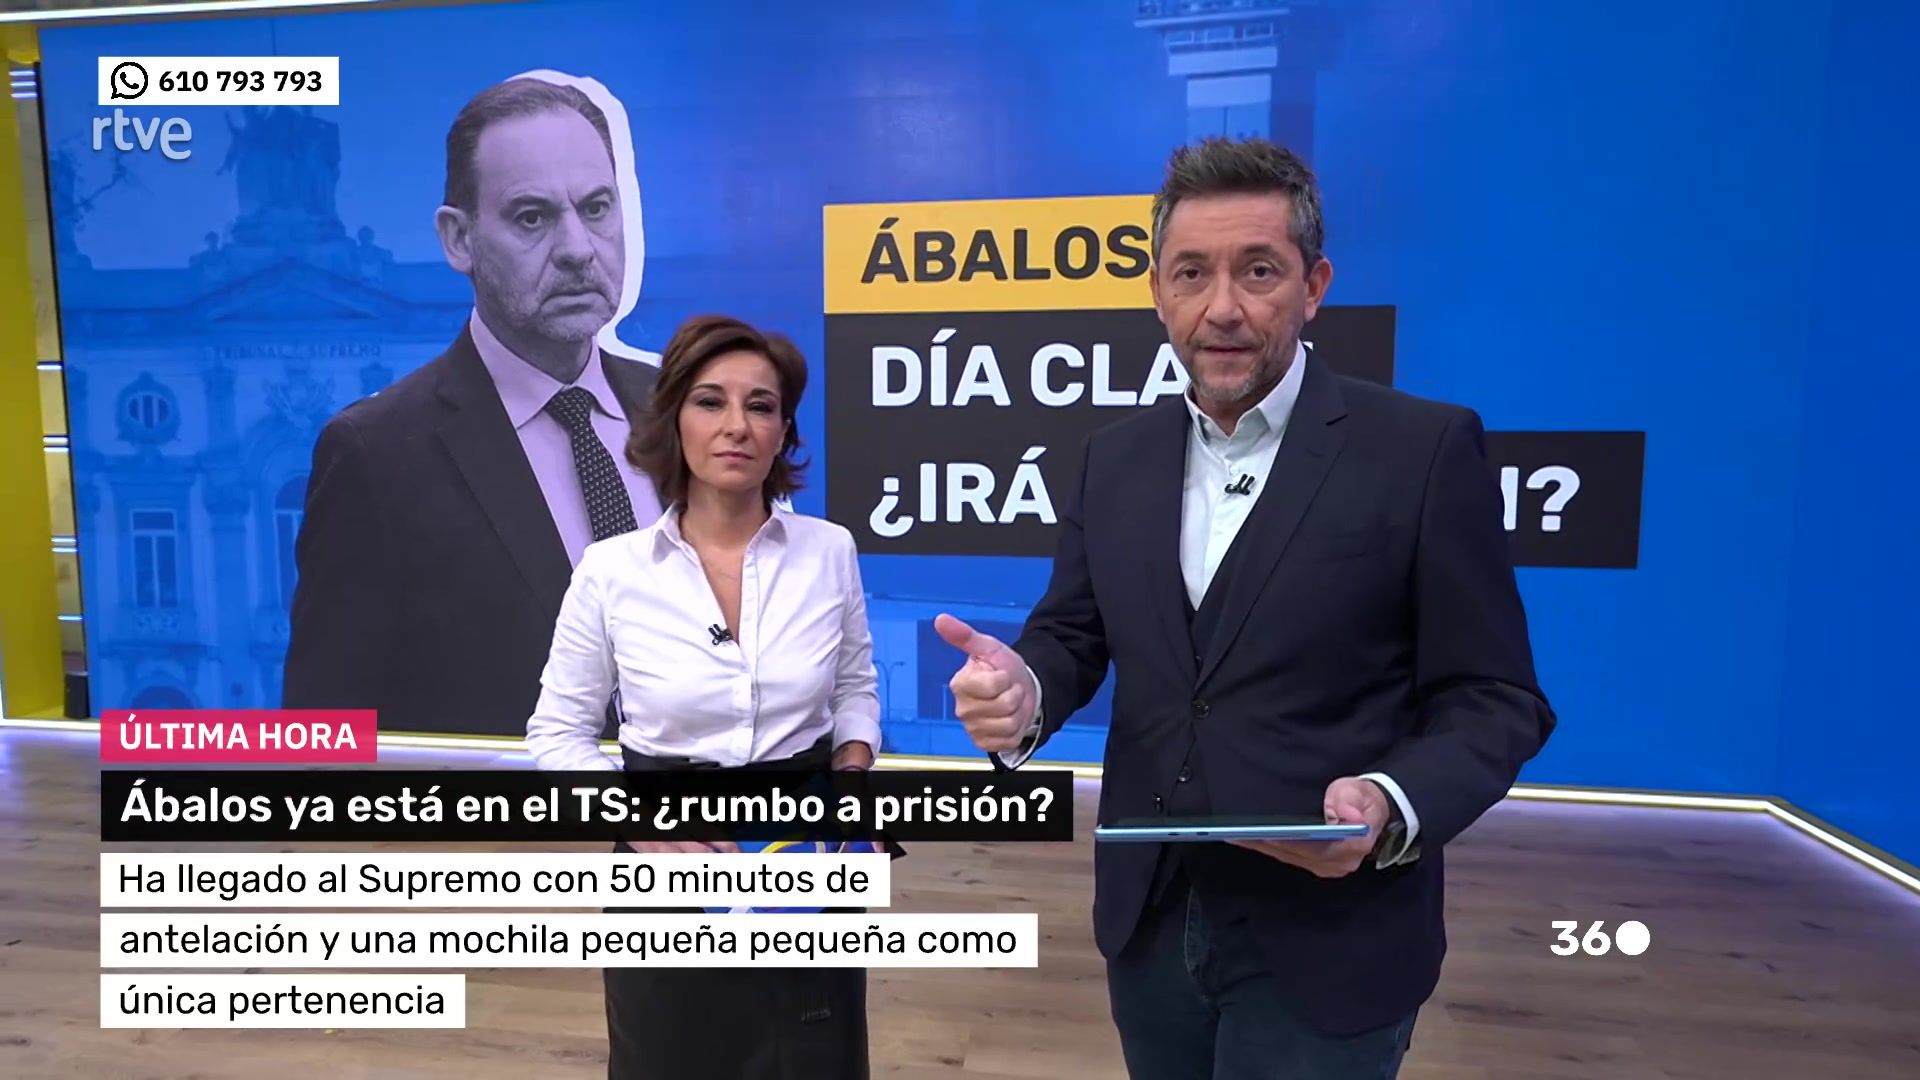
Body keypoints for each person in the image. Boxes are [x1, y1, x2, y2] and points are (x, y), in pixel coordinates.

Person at [936, 137, 1556, 1078]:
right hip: (1149, 922)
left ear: (1314, 286)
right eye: (1191, 273)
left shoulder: (1422, 451)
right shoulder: (1114, 457)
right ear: (1158, 292)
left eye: (1258, 270)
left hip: (1333, 942)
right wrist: (1025, 690)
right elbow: (1073, 633)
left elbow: (1496, 697)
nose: (1221, 307)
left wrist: (1389, 806)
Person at [523, 313, 883, 1079]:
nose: (736, 425)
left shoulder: (830, 551)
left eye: (761, 405)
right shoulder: (611, 571)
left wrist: (853, 776)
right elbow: (557, 733)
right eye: (711, 401)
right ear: (673, 420)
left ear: (783, 433)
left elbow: (855, 685)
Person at [285, 75, 663, 736]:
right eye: (532, 217)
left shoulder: (683, 409)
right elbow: (327, 744)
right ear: (459, 239)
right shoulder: (376, 457)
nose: (578, 249)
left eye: (597, 207)